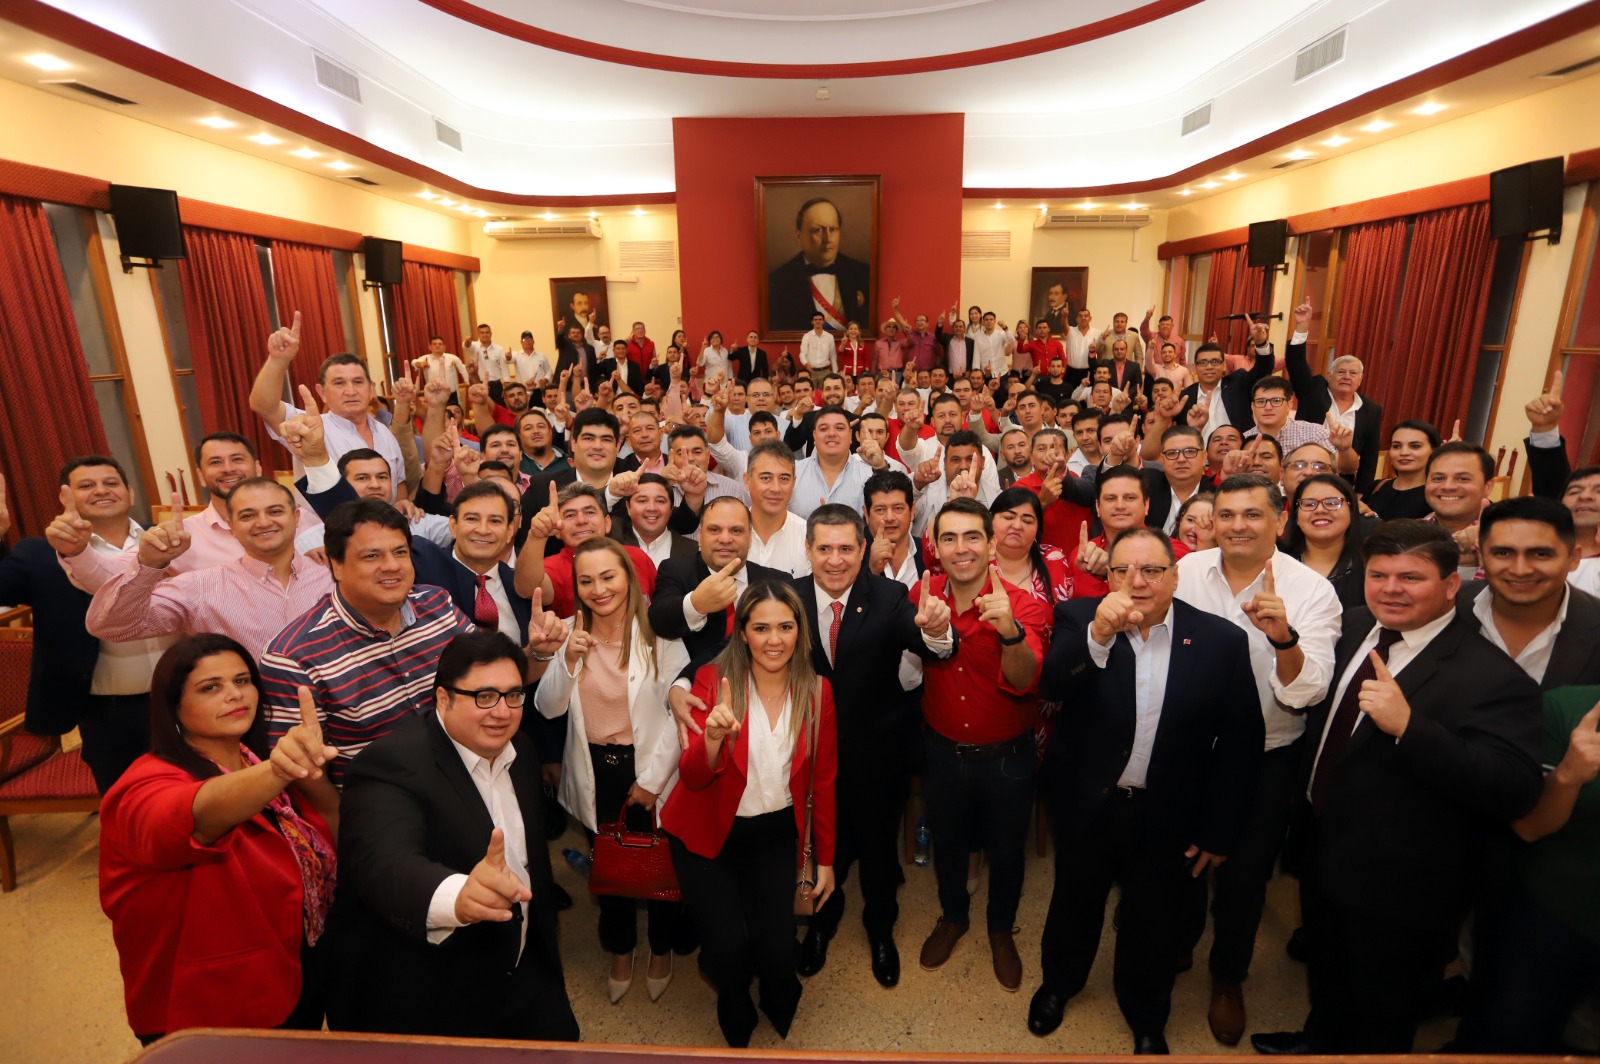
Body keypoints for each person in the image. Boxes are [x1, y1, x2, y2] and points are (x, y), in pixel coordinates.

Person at [1252, 521, 1543, 1055]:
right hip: (1326, 844)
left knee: (1382, 1008)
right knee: (1329, 971)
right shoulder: (1359, 623)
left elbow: (1513, 789)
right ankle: (1319, 1041)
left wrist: (1411, 728)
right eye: (1379, 574)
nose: (1391, 588)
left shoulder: (1493, 678)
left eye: (1411, 577)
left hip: (1403, 879)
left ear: (1451, 585)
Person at [1030, 528, 1263, 1051]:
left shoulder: (1222, 641)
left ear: (1175, 576)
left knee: (1153, 919)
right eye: (1121, 570)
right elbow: (1052, 686)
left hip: (1168, 809)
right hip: (1088, 802)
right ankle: (1058, 986)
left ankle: (1145, 1012)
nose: (1136, 581)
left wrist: (1219, 830)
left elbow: (1240, 743)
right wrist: (1098, 635)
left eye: (1151, 570)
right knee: (1073, 904)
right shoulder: (1078, 619)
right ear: (1106, 575)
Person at [334, 631, 579, 1040]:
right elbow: (385, 862)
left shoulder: (520, 749)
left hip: (525, 970)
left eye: (513, 696)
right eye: (483, 696)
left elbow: (530, 854)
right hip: (437, 989)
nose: (501, 712)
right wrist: (458, 897)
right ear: (443, 699)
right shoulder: (390, 763)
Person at [98, 634, 338, 1042]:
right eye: (211, 688)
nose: (234, 695)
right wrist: (278, 771)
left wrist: (308, 778)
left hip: (295, 969)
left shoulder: (254, 760)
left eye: (242, 681)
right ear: (172, 706)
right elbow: (193, 818)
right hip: (215, 1002)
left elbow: (329, 831)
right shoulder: (143, 784)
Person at [1173, 473, 1342, 1046]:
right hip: (1186, 750)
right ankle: (1176, 947)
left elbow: (1308, 691)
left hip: (1266, 758)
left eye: (1251, 515)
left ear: (1280, 518)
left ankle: (1228, 978)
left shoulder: (1312, 590)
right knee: (1178, 860)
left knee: (1243, 878)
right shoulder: (1187, 572)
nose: (1237, 526)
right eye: (1226, 515)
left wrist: (1283, 639)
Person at [659, 582, 838, 1047]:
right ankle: (733, 1003)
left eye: (785, 626)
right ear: (742, 633)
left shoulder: (818, 692)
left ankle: (779, 996)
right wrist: (713, 739)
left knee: (778, 951)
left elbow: (823, 781)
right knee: (727, 952)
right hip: (706, 836)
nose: (774, 639)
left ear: (801, 631)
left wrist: (826, 861)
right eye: (761, 628)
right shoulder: (714, 682)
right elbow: (694, 776)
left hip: (775, 837)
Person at [786, 505, 954, 987]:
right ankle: (820, 925)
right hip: (808, 754)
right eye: (824, 549)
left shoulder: (890, 595)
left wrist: (937, 630)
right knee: (820, 848)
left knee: (879, 853)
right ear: (809, 550)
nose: (835, 560)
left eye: (845, 548)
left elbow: (924, 642)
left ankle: (881, 931)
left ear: (863, 550)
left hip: (877, 754)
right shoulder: (788, 597)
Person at [534, 538, 690, 1002]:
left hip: (652, 772)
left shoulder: (659, 632)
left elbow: (678, 714)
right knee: (613, 869)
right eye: (586, 580)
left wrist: (650, 781)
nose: (599, 589)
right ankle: (620, 951)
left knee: (660, 867)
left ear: (628, 577)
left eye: (608, 577)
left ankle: (660, 950)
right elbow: (546, 706)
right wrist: (566, 659)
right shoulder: (567, 631)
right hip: (597, 771)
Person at [910, 498, 1050, 991]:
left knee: (1007, 852)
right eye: (949, 538)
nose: (961, 548)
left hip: (1008, 760)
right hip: (943, 753)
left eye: (972, 536)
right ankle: (954, 917)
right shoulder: (921, 597)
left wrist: (1009, 629)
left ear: (991, 544)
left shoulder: (1027, 604)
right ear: (935, 548)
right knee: (949, 844)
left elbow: (1026, 679)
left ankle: (999, 929)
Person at [261, 499, 473, 785]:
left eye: (400, 552)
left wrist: (539, 651)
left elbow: (488, 674)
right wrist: (339, 825)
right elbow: (304, 772)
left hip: (461, 777)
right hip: (375, 804)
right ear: (336, 566)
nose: (391, 566)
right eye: (372, 556)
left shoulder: (437, 604)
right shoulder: (294, 656)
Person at [29, 457, 168, 793]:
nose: (101, 491)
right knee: (127, 804)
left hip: (181, 696)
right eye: (86, 486)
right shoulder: (41, 553)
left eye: (111, 482)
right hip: (110, 712)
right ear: (67, 499)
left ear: (130, 493)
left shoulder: (166, 540)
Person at [83, 478, 334, 662]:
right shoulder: (201, 588)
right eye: (248, 515)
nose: (264, 522)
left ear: (297, 518)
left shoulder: (334, 575)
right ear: (232, 527)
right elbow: (110, 626)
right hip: (257, 724)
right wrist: (149, 566)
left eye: (275, 511)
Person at [250, 315, 405, 493]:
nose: (350, 391)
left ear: (371, 390)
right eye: (339, 383)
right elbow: (264, 406)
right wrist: (278, 360)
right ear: (322, 392)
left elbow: (399, 485)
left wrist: (403, 506)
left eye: (358, 382)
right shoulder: (310, 427)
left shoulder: (385, 433)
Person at [1459, 496, 1600, 689]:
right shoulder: (1443, 607)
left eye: (1540, 554)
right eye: (1503, 553)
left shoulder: (1594, 622)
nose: (1520, 570)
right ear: (1481, 556)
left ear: (1573, 558)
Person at [649, 496, 790, 667]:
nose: (725, 539)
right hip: (693, 686)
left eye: (736, 531)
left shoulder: (778, 582)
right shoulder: (675, 570)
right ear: (700, 536)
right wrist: (696, 605)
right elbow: (659, 620)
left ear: (750, 538)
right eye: (714, 530)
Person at [1284, 296, 1384, 495]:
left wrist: (1361, 493)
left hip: (1341, 481)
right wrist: (1302, 327)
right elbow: (1295, 365)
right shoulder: (1313, 390)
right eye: (1341, 372)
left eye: (1353, 373)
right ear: (1329, 375)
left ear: (1360, 379)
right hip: (1304, 474)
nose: (1347, 377)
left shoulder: (1372, 409)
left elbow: (1370, 456)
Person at [768, 197, 871, 332]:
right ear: (799, 236)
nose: (828, 239)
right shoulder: (778, 281)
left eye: (833, 229)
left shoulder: (864, 273)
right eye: (818, 230)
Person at [1284, 474, 1366, 609]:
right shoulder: (1277, 563)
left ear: (1351, 511)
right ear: (1296, 516)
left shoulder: (1371, 566)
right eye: (1309, 504)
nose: (1320, 510)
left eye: (1332, 503)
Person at [1424, 441, 1495, 580]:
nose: (1448, 486)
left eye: (1463, 478)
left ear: (1488, 486)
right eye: (1438, 478)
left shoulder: (1508, 540)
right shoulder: (1410, 536)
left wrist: (1492, 550)